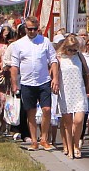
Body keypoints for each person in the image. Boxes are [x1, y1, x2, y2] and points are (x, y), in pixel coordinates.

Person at [9, 15, 59, 152]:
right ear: (25, 28)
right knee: (30, 112)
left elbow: (53, 60)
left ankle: (44, 139)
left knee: (47, 110)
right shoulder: (19, 44)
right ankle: (34, 140)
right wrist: (14, 83)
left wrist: (55, 78)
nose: (32, 31)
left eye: (34, 29)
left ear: (38, 29)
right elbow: (14, 66)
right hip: (27, 82)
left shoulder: (45, 42)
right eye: (29, 29)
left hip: (44, 81)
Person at [56, 35, 89, 158]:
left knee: (79, 120)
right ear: (65, 48)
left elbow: (87, 72)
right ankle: (69, 148)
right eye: (70, 49)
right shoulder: (59, 58)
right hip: (66, 92)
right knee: (67, 123)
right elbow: (54, 75)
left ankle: (76, 144)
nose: (72, 52)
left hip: (79, 91)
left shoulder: (79, 56)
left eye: (74, 49)